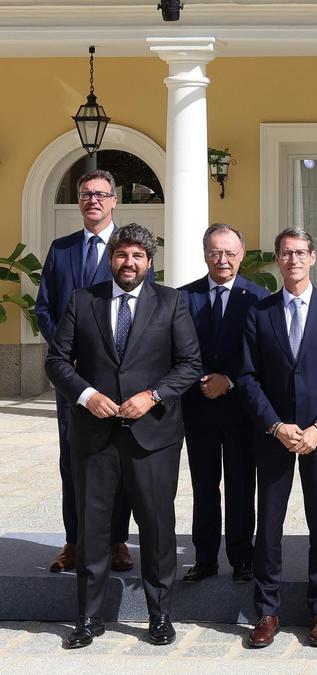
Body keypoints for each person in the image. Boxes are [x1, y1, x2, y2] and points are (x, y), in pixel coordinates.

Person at [45, 223, 202, 649]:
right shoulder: (83, 300)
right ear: (111, 258)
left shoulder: (171, 302)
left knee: (156, 528)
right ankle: (89, 618)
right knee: (93, 530)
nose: (128, 263)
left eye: (137, 256)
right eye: (121, 255)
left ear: (150, 262)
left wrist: (152, 396)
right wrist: (87, 394)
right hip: (94, 436)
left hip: (153, 438)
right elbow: (57, 361)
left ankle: (160, 615)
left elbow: (189, 364)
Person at [240, 227, 317, 649]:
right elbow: (248, 377)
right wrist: (275, 425)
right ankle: (267, 611)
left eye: (300, 252)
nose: (293, 260)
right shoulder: (259, 312)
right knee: (268, 525)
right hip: (274, 435)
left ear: (313, 257)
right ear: (278, 259)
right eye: (285, 253)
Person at [34, 169, 134, 574]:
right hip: (72, 379)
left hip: (117, 377)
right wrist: (64, 353)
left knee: (120, 460)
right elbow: (44, 308)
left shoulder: (130, 249)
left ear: (114, 201)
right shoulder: (61, 250)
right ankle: (74, 541)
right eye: (85, 194)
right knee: (73, 460)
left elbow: (139, 308)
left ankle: (116, 541)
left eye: (100, 194)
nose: (92, 200)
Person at [178, 223, 270, 584]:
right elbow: (179, 348)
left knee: (241, 484)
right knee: (203, 485)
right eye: (215, 252)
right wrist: (204, 379)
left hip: (240, 409)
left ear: (242, 254)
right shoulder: (184, 297)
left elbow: (261, 351)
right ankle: (204, 558)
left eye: (230, 252)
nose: (223, 259)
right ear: (205, 254)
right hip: (198, 405)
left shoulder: (259, 298)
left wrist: (227, 379)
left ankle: (242, 558)